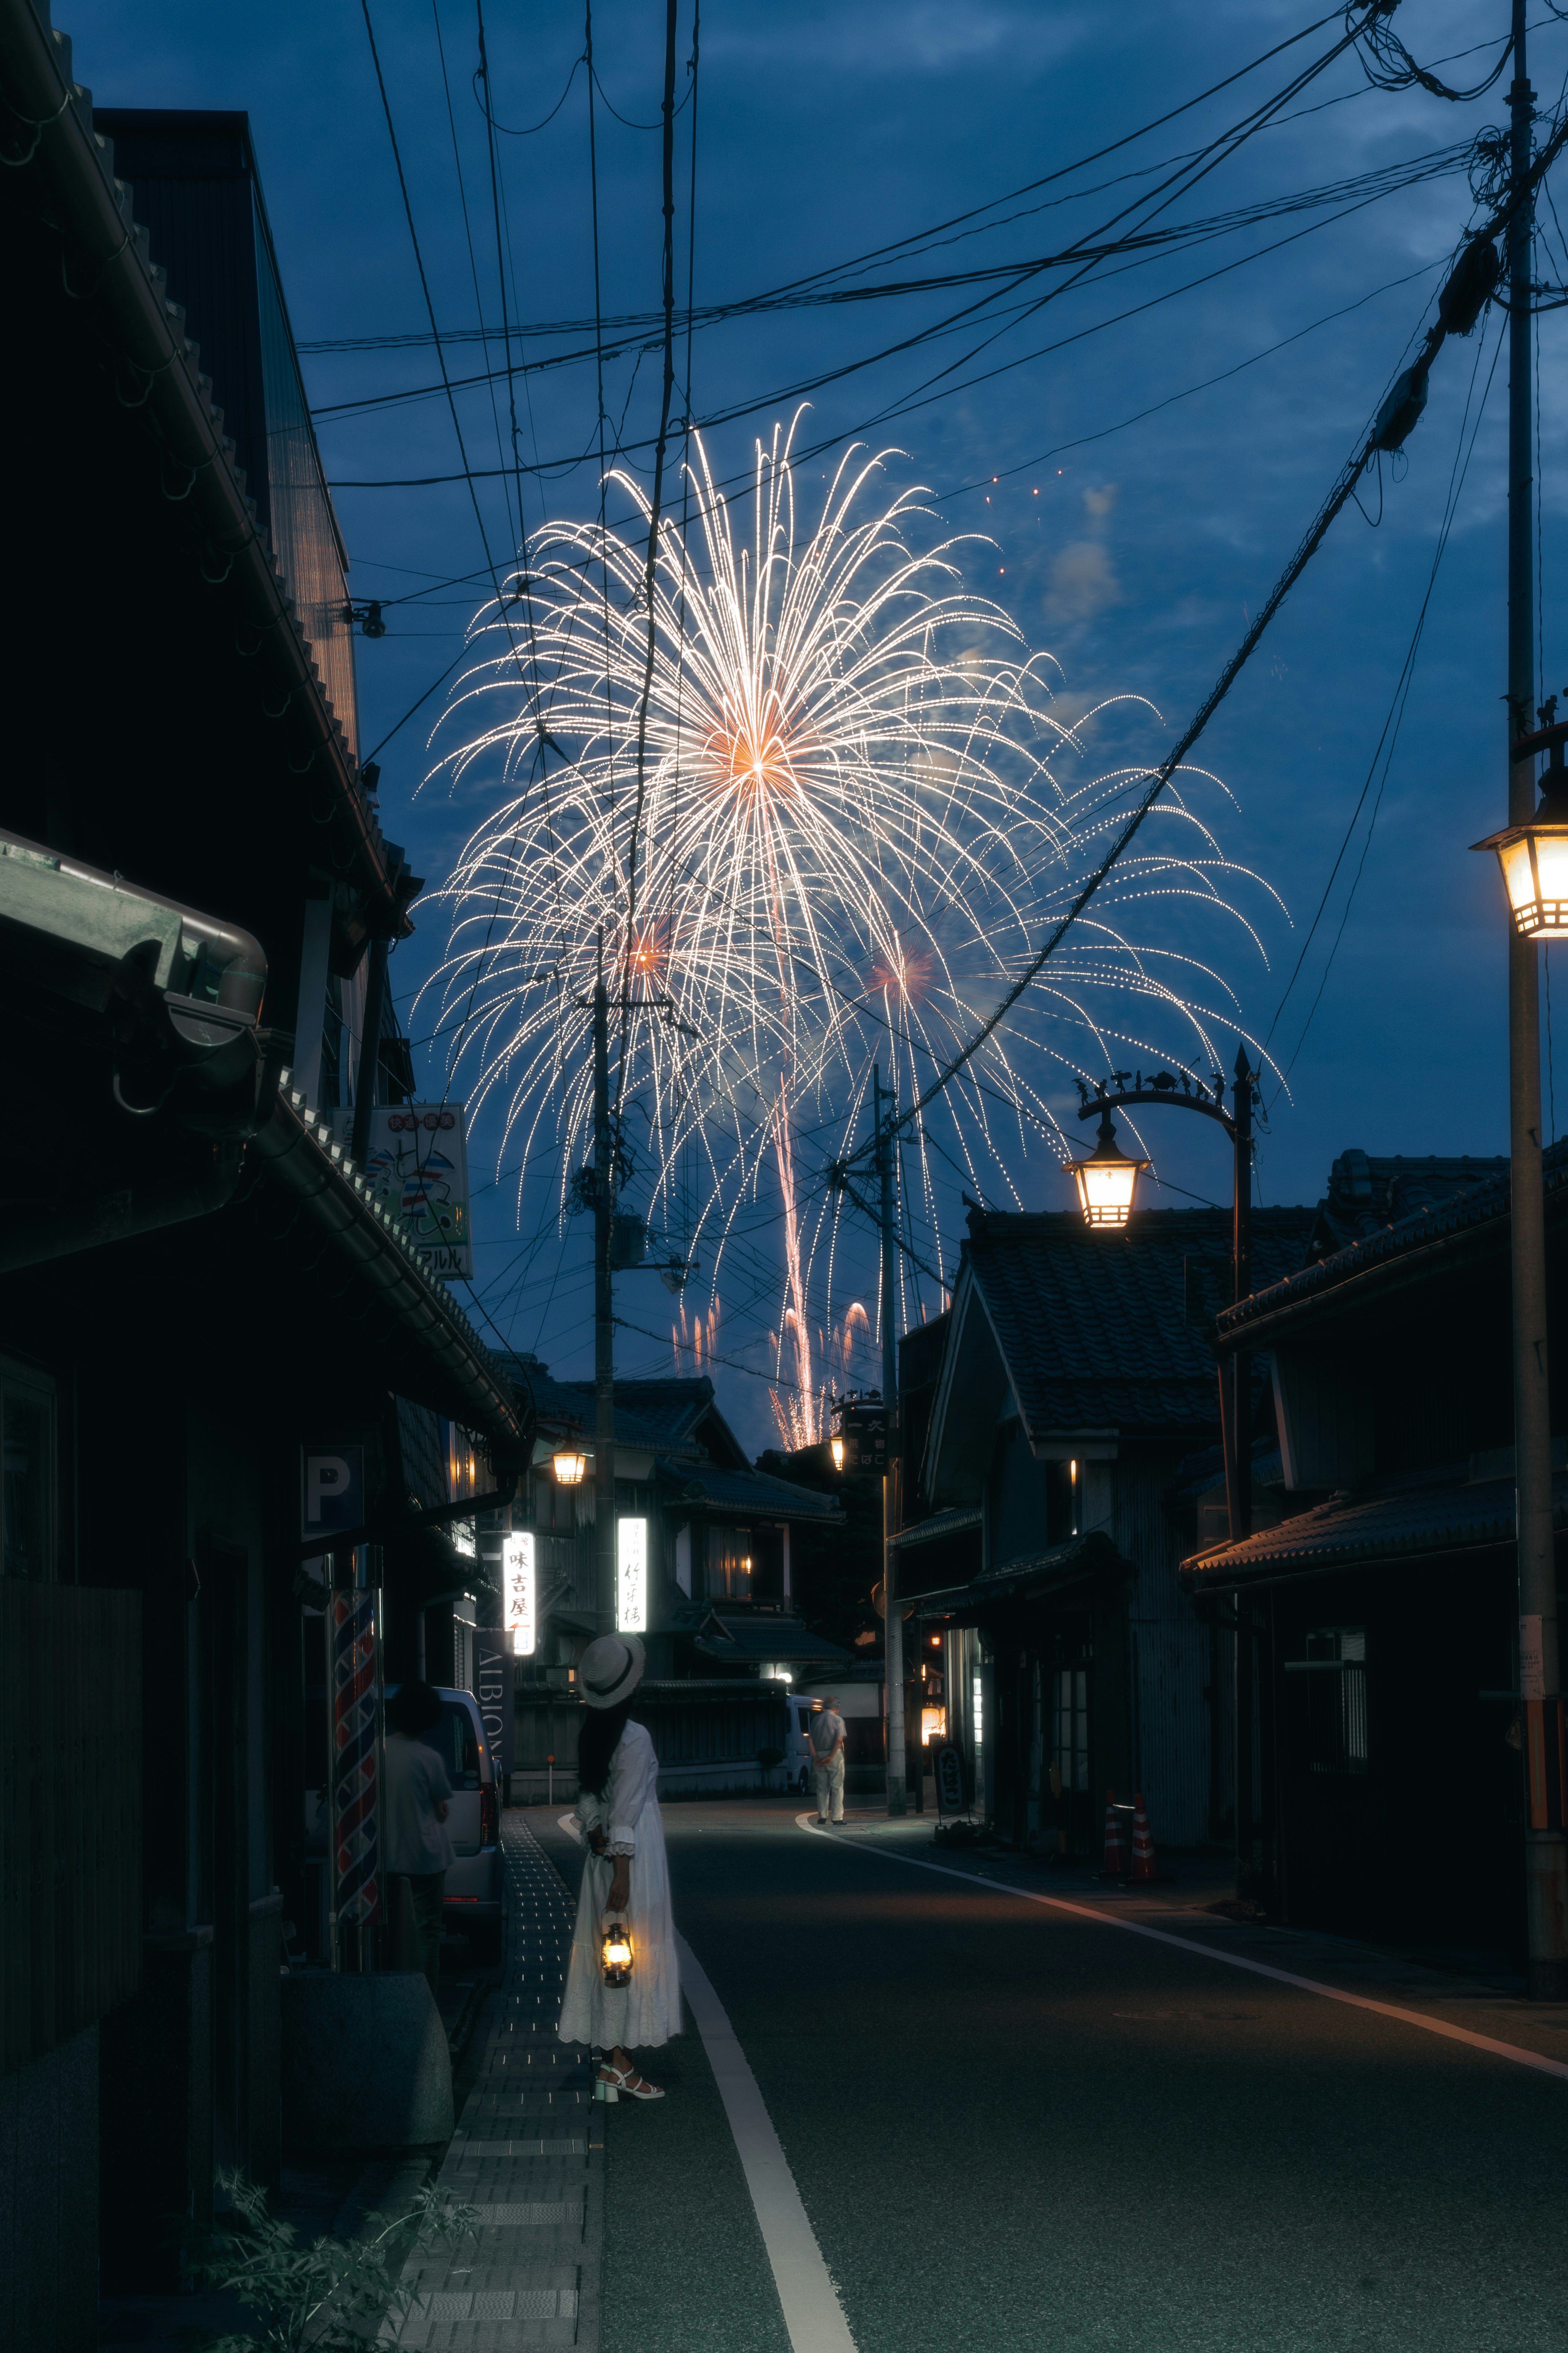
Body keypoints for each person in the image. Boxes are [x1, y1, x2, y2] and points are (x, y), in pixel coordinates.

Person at [558, 1633, 679, 2103]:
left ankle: (613, 2063)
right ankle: (620, 2065)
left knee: (612, 1953)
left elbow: (590, 1797)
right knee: (631, 1952)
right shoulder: (634, 1736)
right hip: (631, 1856)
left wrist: (595, 1833)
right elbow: (627, 1810)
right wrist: (624, 1874)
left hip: (601, 1853)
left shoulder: (594, 1730)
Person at [383, 1679, 455, 2004]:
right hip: (427, 1858)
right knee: (427, 1935)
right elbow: (441, 1807)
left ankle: (395, 2001)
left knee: (390, 1935)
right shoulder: (429, 1758)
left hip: (386, 1858)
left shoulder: (376, 1753)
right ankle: (428, 2009)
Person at [809, 1696, 846, 1824]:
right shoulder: (838, 1720)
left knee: (822, 1787)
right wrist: (831, 1756)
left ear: (824, 1707)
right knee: (837, 1787)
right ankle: (837, 1818)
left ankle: (822, 1816)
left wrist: (816, 1757)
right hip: (834, 1754)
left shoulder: (816, 1720)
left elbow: (810, 1740)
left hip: (819, 1753)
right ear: (837, 1707)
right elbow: (839, 1739)